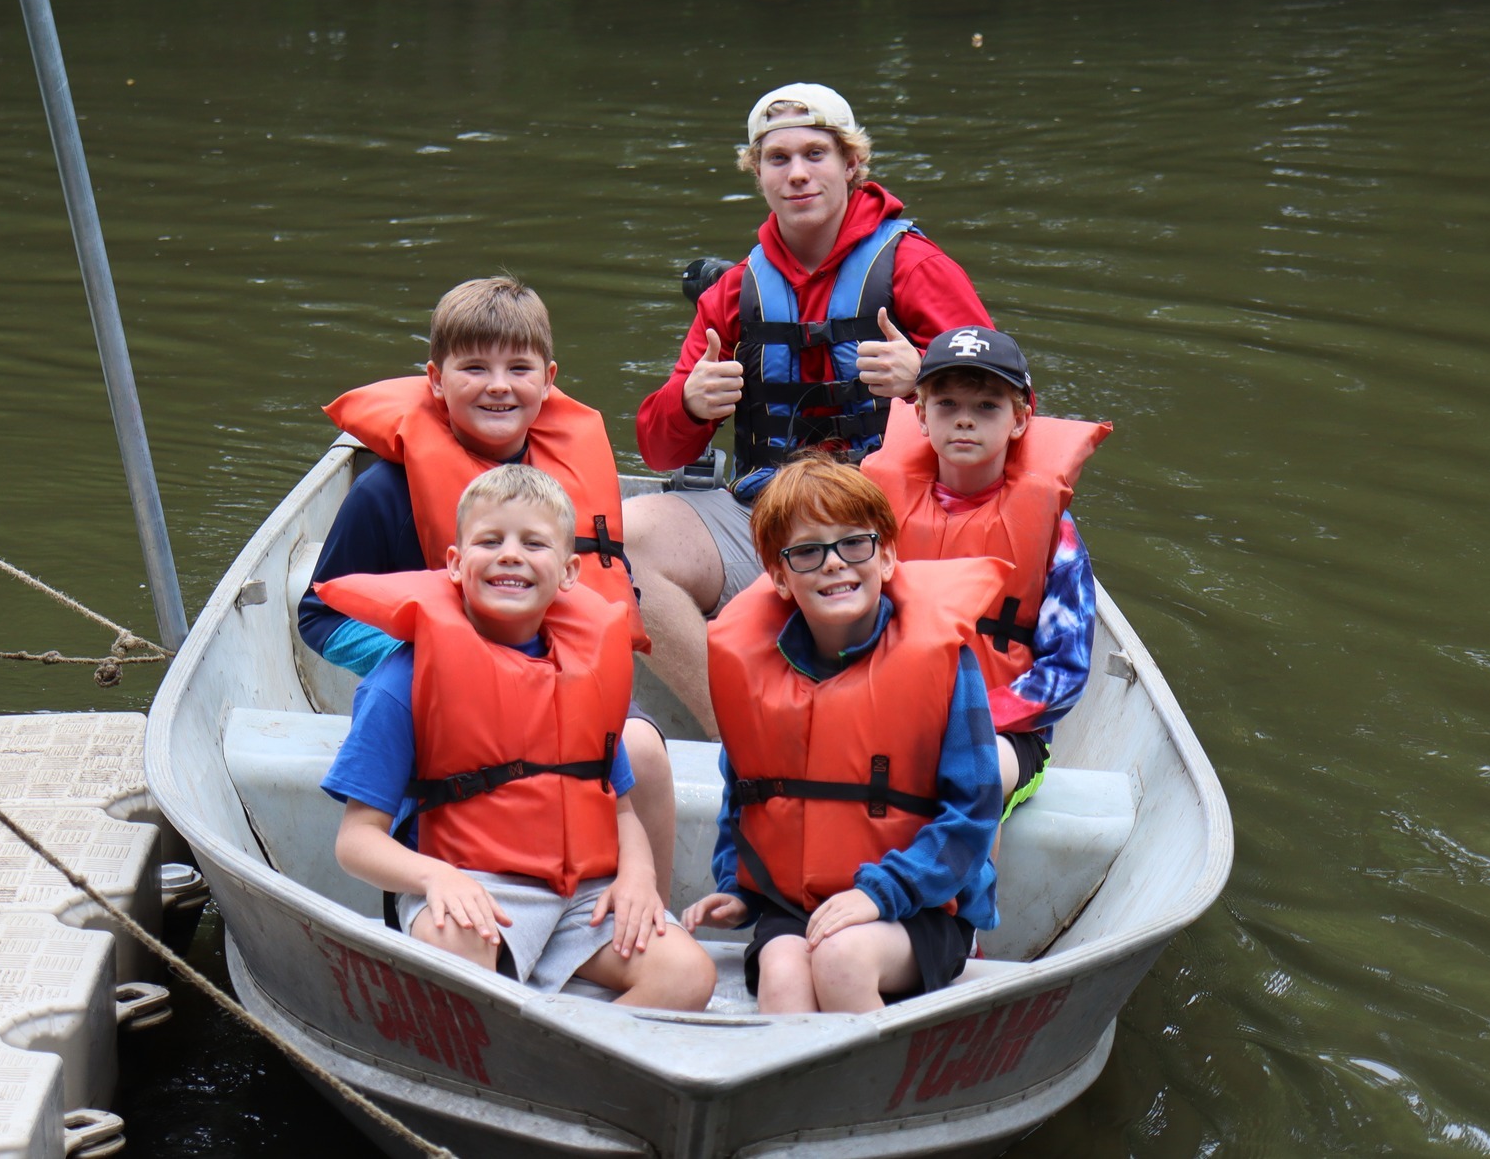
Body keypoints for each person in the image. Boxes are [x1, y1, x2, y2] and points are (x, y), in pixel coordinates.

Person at [627, 83, 994, 736]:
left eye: (815, 154)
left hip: (889, 527)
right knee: (620, 542)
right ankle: (739, 734)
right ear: (758, 171)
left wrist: (924, 386)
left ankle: (876, 724)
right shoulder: (736, 290)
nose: (797, 173)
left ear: (851, 164)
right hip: (766, 516)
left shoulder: (915, 268)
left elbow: (1014, 418)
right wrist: (689, 403)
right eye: (778, 158)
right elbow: (660, 451)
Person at [296, 277, 678, 902]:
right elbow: (318, 616)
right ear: (436, 380)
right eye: (474, 367)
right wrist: (428, 661)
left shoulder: (572, 476)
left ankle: (643, 912)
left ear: (548, 379)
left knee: (645, 750)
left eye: (518, 367)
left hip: (561, 680)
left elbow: (607, 590)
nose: (498, 385)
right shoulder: (384, 494)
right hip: (451, 699)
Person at [318, 465, 717, 1009]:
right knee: (454, 950)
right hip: (471, 884)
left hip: (583, 898)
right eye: (490, 540)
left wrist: (639, 878)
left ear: (570, 572)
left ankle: (574, 1070)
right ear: (455, 565)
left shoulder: (588, 674)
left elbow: (620, 811)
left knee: (689, 975)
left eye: (534, 543)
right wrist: (436, 878)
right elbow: (356, 842)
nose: (511, 555)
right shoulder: (400, 684)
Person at [681, 453, 1002, 1014]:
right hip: (794, 902)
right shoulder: (754, 671)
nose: (833, 564)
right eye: (806, 552)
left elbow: (973, 814)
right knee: (782, 974)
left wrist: (880, 894)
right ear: (778, 577)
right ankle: (790, 1100)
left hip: (918, 905)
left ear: (886, 557)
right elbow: (747, 797)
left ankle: (872, 1098)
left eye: (854, 544)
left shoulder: (946, 662)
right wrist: (736, 888)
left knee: (840, 958)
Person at [861, 327, 1110, 817]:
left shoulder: (1055, 535)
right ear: (921, 416)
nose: (965, 421)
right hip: (887, 711)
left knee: (970, 771)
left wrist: (969, 722)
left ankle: (971, 897)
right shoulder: (871, 515)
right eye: (948, 405)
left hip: (1001, 734)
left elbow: (1066, 670)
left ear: (1020, 420)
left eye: (987, 407)